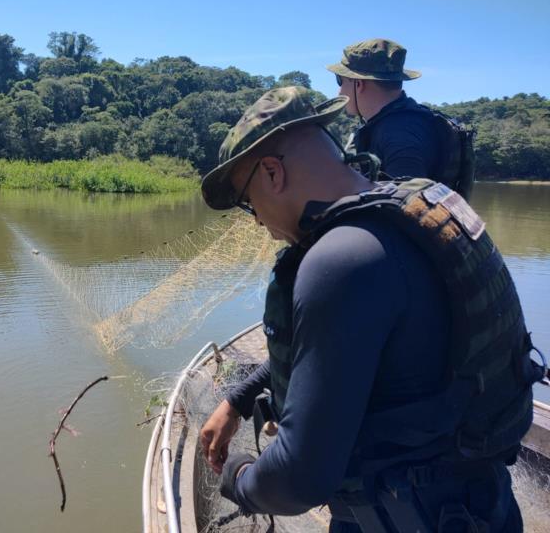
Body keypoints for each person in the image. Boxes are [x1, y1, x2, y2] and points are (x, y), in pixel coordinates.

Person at [198, 86, 542, 532]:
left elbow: (300, 481)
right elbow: (356, 349)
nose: (259, 221)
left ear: (271, 171)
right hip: (482, 506)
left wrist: (239, 476)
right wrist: (240, 398)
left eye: (249, 203)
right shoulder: (415, 213)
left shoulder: (340, 262)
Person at [327, 38, 474, 198]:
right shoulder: (406, 122)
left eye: (340, 81)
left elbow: (406, 209)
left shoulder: (399, 134)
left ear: (359, 83)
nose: (339, 92)